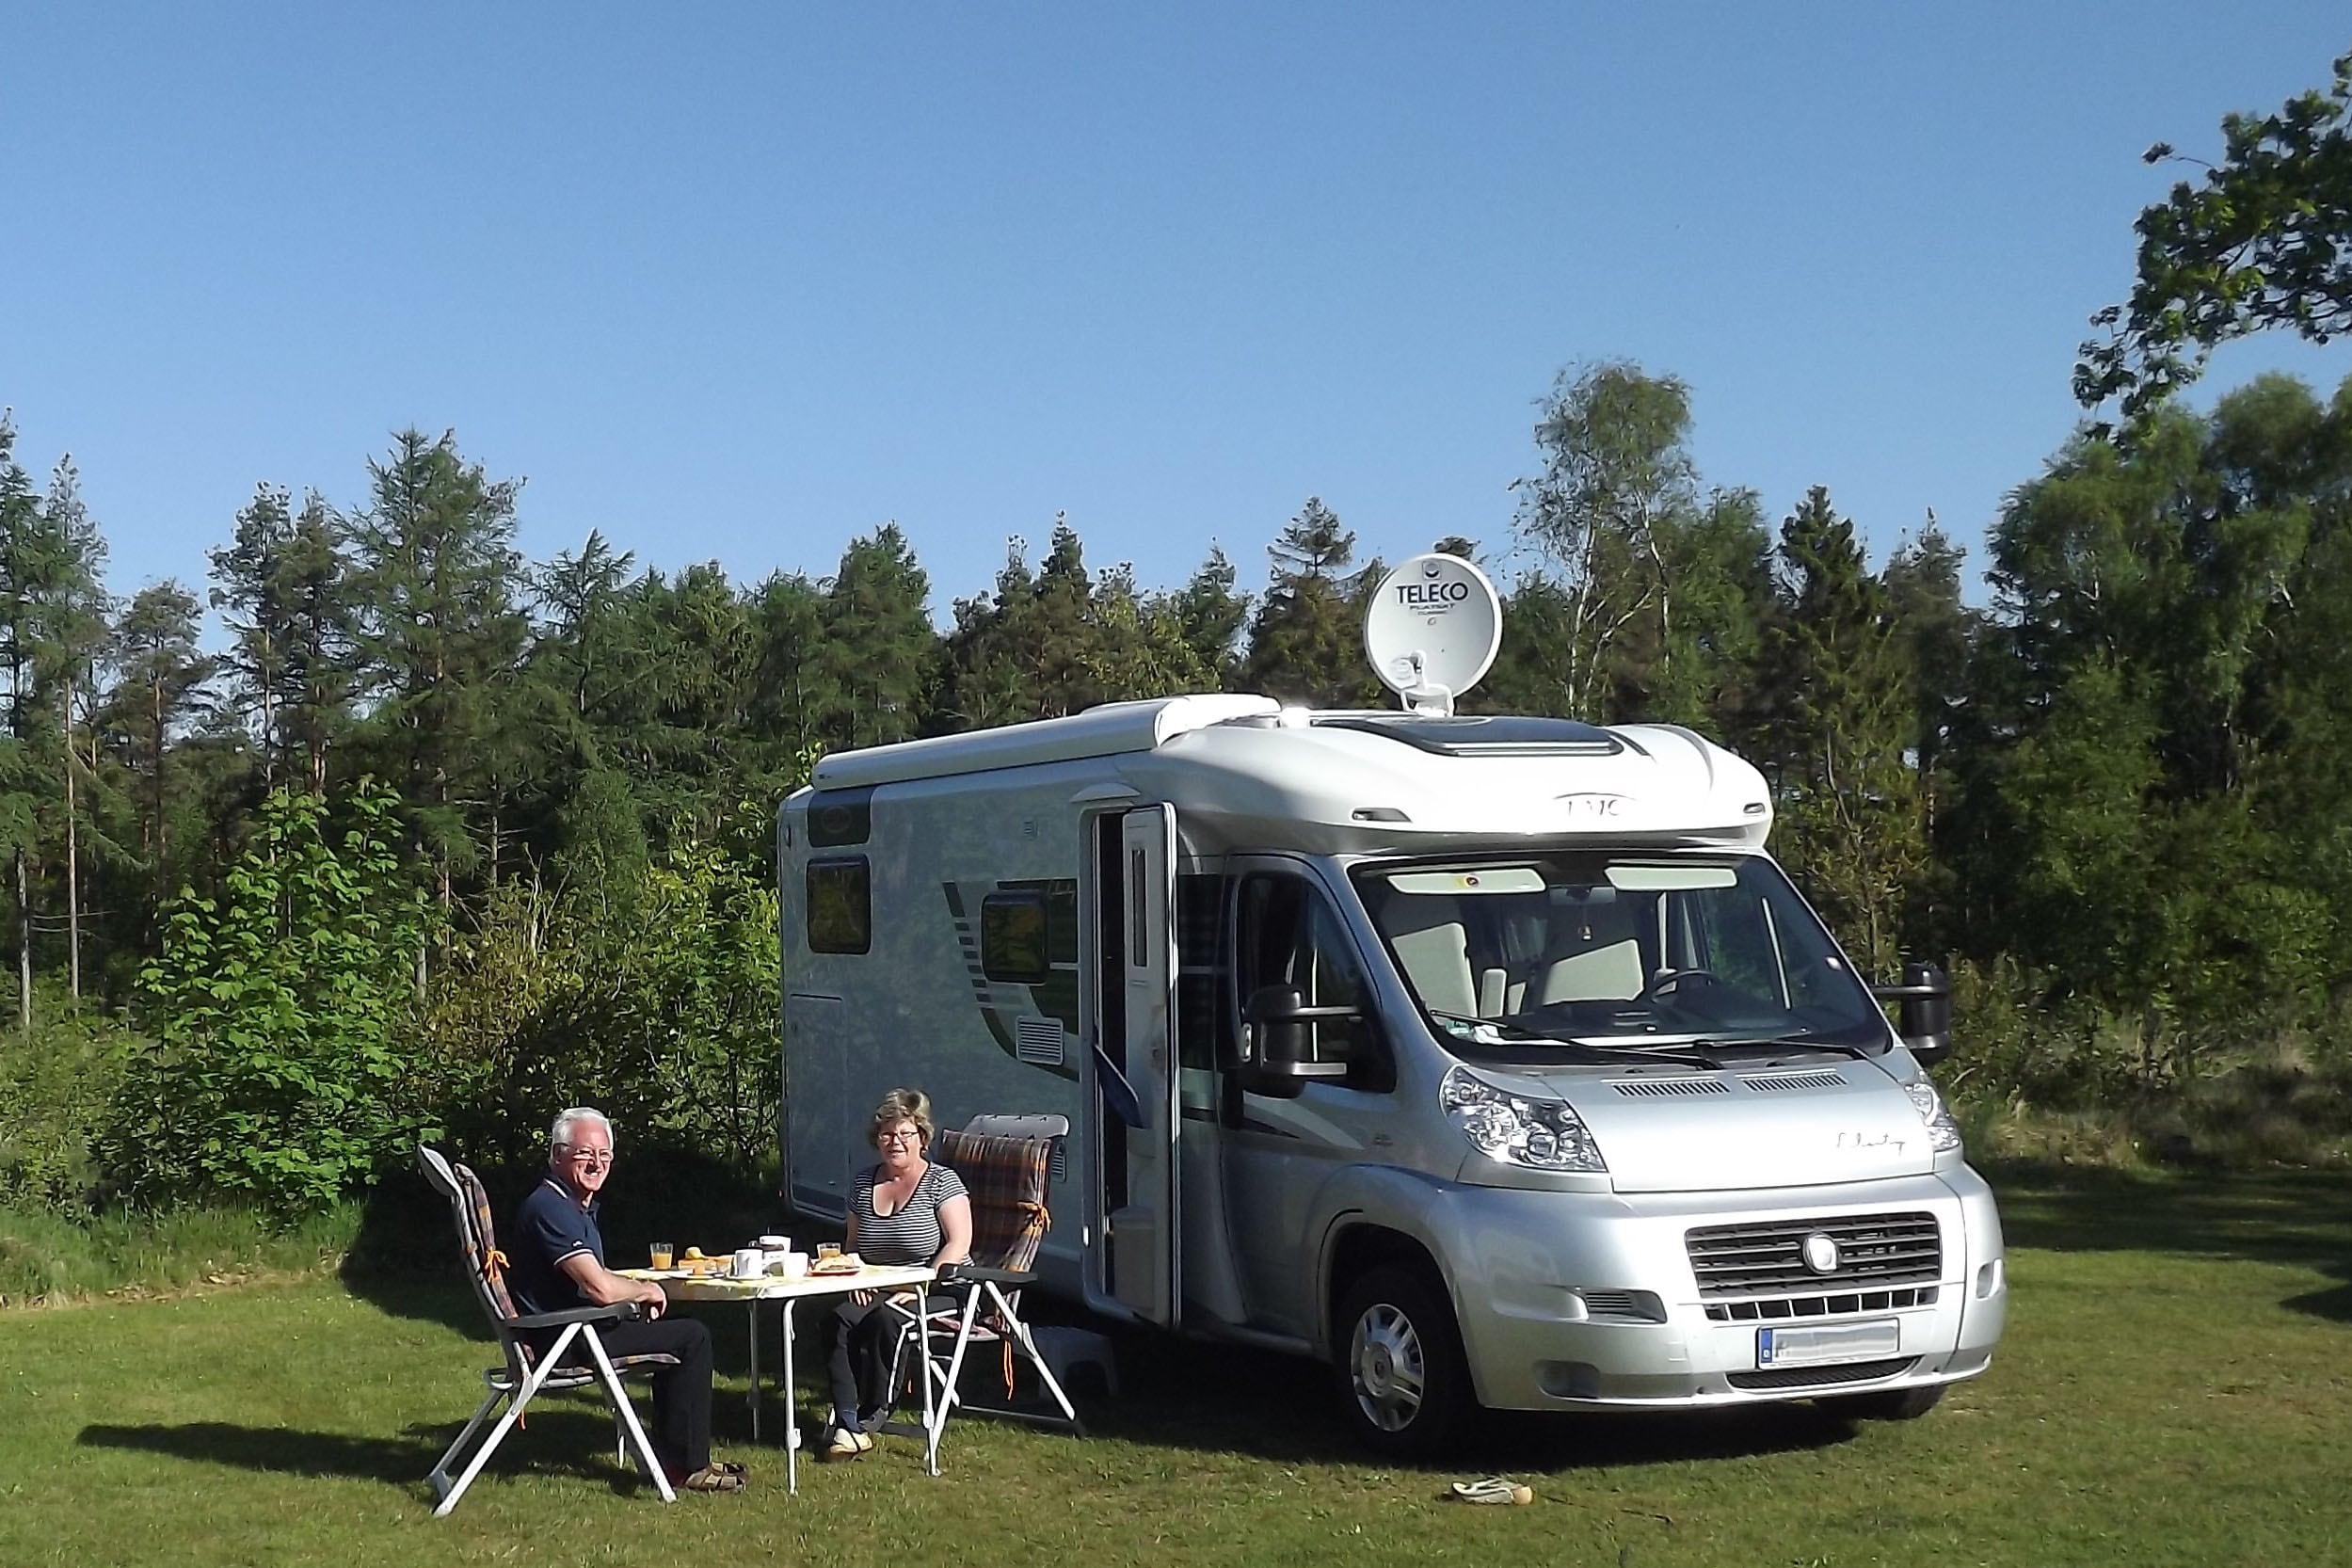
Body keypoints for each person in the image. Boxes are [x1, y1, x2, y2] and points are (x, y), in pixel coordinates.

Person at [507, 1106, 744, 1494]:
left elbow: (594, 1280)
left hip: (572, 1329)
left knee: (675, 1334)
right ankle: (688, 1466)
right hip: (565, 1341)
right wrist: (645, 1289)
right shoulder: (550, 1208)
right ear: (557, 1156)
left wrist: (633, 1292)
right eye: (586, 1153)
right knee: (692, 1337)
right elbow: (599, 1288)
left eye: (605, 1155)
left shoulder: (568, 1204)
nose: (596, 1163)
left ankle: (673, 1460)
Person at [816, 1087, 972, 1459]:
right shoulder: (863, 1183)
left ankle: (872, 1416)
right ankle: (848, 1420)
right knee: (836, 1320)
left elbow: (959, 1243)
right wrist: (855, 1276)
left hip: (940, 1286)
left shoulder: (942, 1181)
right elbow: (853, 1244)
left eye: (905, 1133)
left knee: (887, 1321)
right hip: (878, 1285)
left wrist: (919, 1284)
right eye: (887, 1134)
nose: (895, 1142)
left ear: (922, 1137)